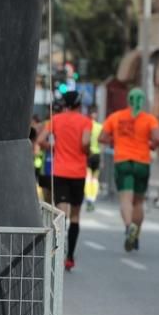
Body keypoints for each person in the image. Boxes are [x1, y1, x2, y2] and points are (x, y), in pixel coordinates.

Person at [98, 88, 159, 252]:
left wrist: (116, 140)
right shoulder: (149, 119)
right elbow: (158, 137)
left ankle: (128, 227)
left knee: (126, 199)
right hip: (142, 162)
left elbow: (101, 137)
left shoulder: (116, 117)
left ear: (128, 100)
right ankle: (137, 233)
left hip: (123, 161)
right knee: (139, 201)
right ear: (142, 101)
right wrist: (152, 145)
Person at [49, 90, 91, 270]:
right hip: (78, 173)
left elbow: (43, 139)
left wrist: (54, 147)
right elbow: (85, 143)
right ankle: (70, 257)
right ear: (79, 104)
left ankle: (58, 250)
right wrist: (88, 152)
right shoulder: (85, 121)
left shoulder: (56, 120)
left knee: (61, 213)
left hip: (59, 171)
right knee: (75, 215)